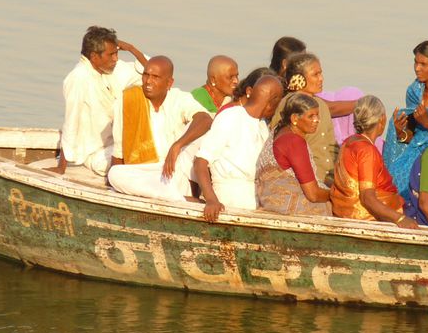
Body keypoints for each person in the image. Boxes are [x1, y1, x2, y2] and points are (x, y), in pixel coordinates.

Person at [107, 56, 214, 200]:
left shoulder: (179, 98)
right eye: (146, 75)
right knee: (115, 174)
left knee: (198, 131)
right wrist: (111, 185)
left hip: (173, 169)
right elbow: (119, 151)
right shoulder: (128, 100)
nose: (148, 81)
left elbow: (205, 119)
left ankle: (167, 194)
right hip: (144, 171)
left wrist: (177, 146)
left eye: (155, 77)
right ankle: (176, 198)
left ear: (169, 82)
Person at [57, 26, 147, 176]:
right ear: (94, 56)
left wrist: (132, 49)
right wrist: (61, 167)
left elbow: (153, 74)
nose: (116, 59)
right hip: (94, 154)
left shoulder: (113, 69)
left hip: (115, 145)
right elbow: (71, 122)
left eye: (117, 53)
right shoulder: (78, 78)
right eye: (111, 54)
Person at [194, 75, 284, 220]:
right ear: (273, 101)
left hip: (254, 203)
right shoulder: (231, 116)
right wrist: (211, 200)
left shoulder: (262, 126)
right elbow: (201, 161)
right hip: (227, 201)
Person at [382, 41, 428, 201]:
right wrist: (401, 133)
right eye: (415, 62)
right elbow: (414, 136)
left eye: (423, 64)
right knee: (393, 178)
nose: (417, 68)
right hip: (413, 151)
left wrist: (427, 122)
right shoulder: (414, 91)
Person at [331, 95, 416, 226]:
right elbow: (367, 198)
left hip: (345, 212)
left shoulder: (349, 142)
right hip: (365, 218)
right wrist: (400, 219)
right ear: (382, 120)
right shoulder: (367, 151)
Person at [269, 53, 341, 186]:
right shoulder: (288, 105)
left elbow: (332, 146)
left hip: (329, 178)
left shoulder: (322, 105)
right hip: (304, 181)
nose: (321, 79)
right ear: (298, 78)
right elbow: (280, 146)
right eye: (316, 74)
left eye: (321, 74)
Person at [255, 92, 332, 216]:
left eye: (317, 115)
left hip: (268, 201)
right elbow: (313, 195)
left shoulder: (279, 130)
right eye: (311, 116)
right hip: (289, 209)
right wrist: (336, 195)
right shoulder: (294, 142)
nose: (317, 120)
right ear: (295, 119)